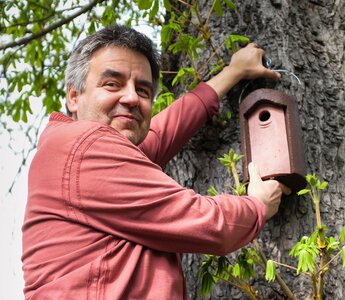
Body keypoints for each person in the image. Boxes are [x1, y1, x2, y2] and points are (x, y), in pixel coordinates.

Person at [22, 25, 289, 299]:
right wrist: (257, 205)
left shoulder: (75, 153)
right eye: (112, 84)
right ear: (74, 96)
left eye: (143, 90)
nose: (131, 98)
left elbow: (161, 133)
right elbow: (205, 221)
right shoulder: (84, 145)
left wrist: (232, 73)